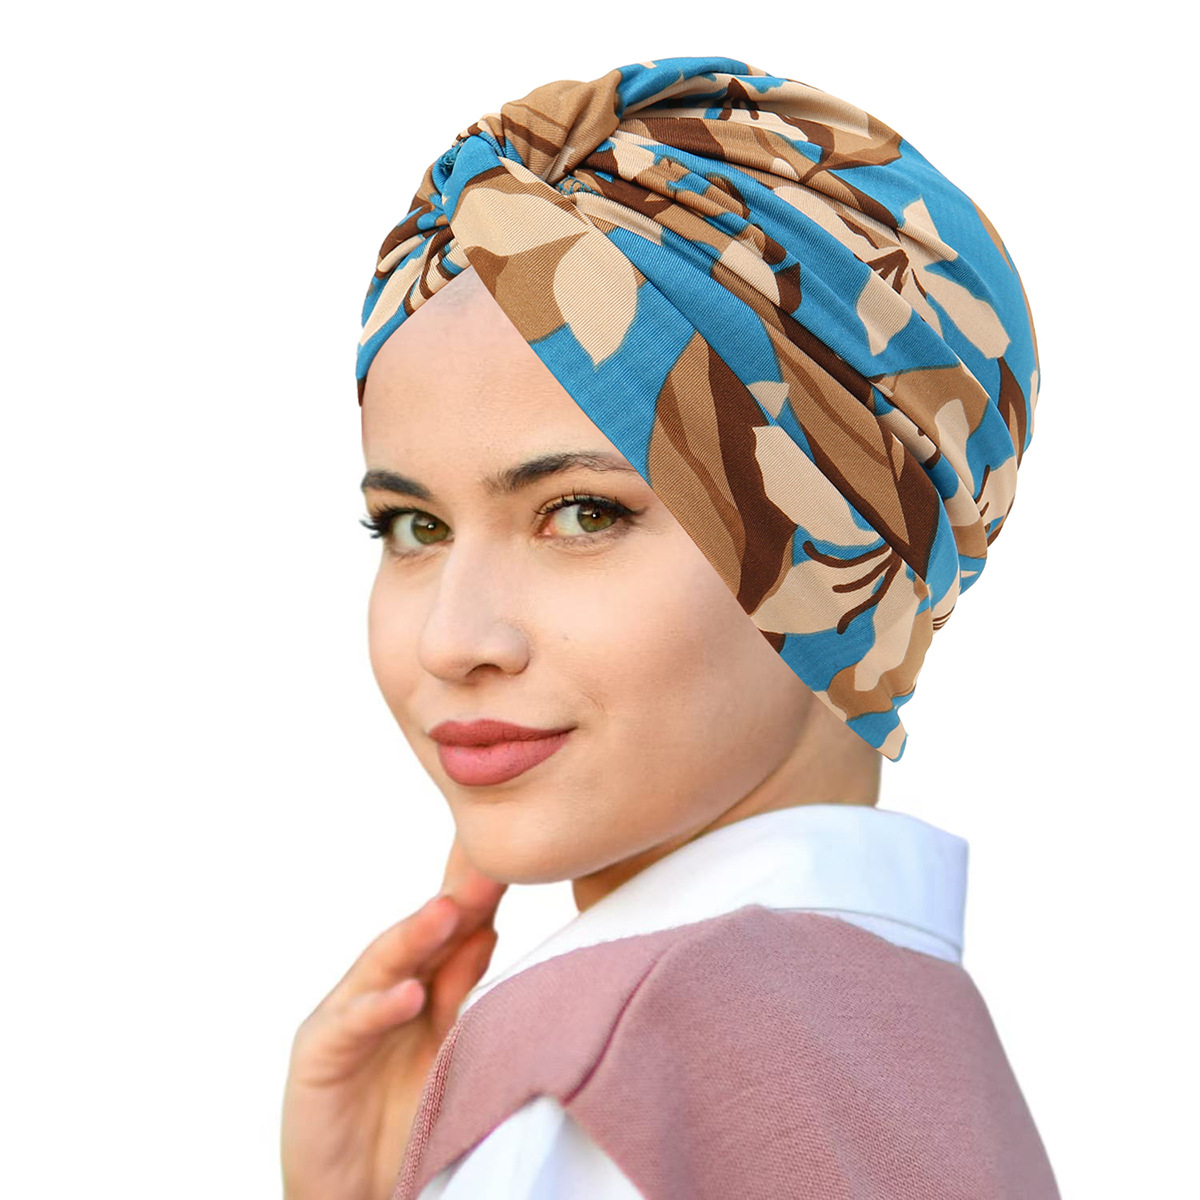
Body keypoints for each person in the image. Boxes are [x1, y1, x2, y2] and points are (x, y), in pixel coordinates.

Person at [281, 56, 1057, 1199]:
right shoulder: (932, 1051)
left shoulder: (598, 1090)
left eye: (581, 513)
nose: (452, 639)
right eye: (411, 527)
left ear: (833, 555)